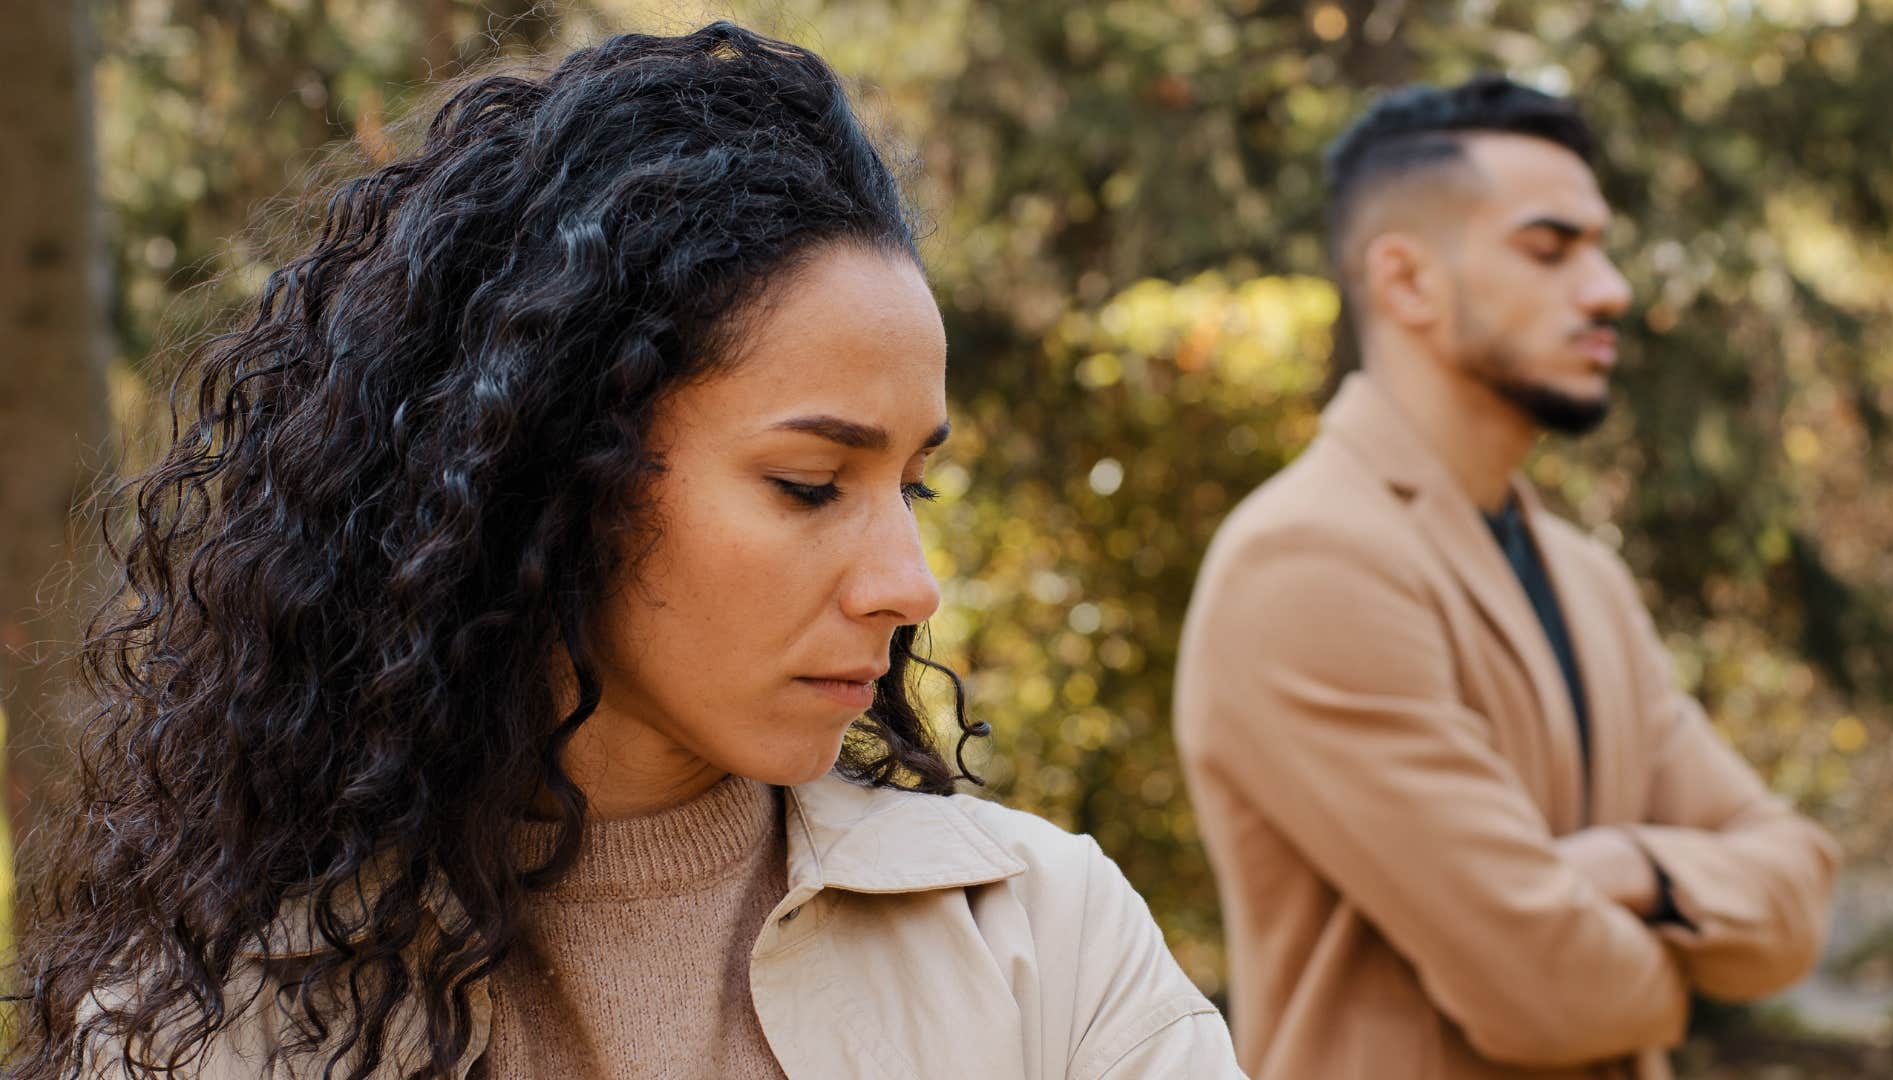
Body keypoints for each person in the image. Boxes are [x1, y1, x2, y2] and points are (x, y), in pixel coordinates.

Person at [9, 25, 1241, 1080]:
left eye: (910, 486)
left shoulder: (1045, 944)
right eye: (811, 485)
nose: (908, 584)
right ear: (551, 470)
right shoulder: (222, 1024)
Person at [1174, 75, 1837, 1080]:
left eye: (1601, 246)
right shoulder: (1308, 560)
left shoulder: (1584, 576)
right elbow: (1551, 995)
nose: (1609, 288)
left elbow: (1798, 886)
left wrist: (1633, 870)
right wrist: (1686, 963)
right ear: (1406, 282)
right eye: (1550, 247)